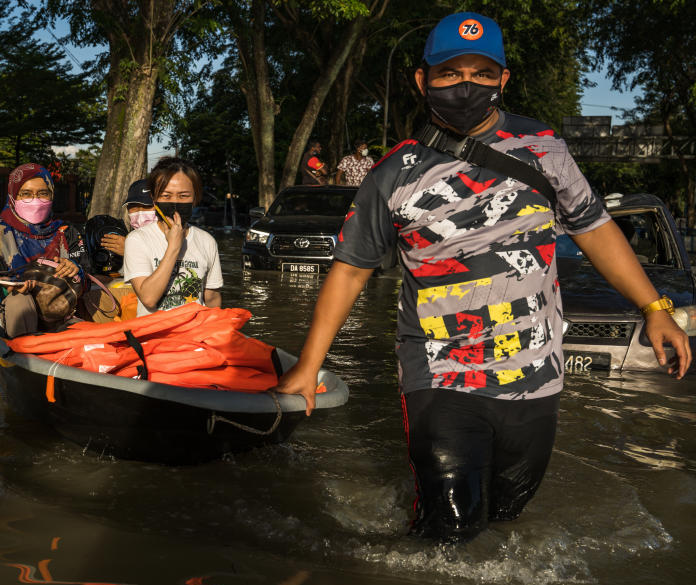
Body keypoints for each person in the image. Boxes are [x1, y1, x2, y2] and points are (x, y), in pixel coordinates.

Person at [276, 12, 691, 543]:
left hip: (535, 373)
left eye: (481, 72)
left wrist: (655, 310)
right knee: (449, 535)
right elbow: (351, 270)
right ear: (422, 81)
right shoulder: (393, 173)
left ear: (503, 80)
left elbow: (595, 229)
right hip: (441, 371)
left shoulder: (546, 150)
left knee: (507, 518)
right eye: (450, 73)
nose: (466, 85)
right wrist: (308, 367)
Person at [0, 163, 91, 337]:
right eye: (26, 194)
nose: (35, 200)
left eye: (42, 193)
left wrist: (76, 271)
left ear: (52, 195)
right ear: (13, 196)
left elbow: (90, 280)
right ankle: (24, 353)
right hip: (17, 317)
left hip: (61, 312)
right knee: (20, 302)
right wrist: (8, 288)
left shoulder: (67, 232)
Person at [122, 157, 223, 317]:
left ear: (195, 199)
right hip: (155, 335)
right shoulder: (137, 240)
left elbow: (211, 298)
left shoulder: (207, 241)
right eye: (166, 196)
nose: (175, 202)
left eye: (183, 196)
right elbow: (148, 298)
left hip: (194, 334)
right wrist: (174, 247)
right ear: (154, 200)